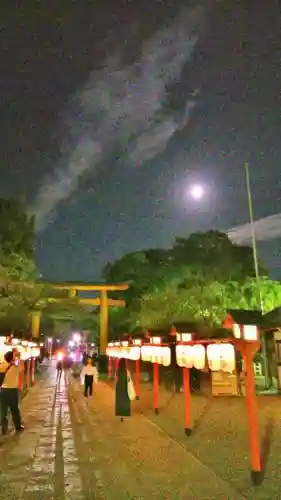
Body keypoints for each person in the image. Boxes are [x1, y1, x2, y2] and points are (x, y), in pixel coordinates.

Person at [0, 351, 24, 435]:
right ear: (12, 358)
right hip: (13, 390)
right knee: (14, 409)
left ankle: (3, 423)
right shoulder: (16, 367)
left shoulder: (2, 366)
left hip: (3, 391)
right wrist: (16, 356)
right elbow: (21, 361)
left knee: (3, 409)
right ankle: (18, 425)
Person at [115, 358, 131, 422]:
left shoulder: (117, 371)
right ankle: (124, 413)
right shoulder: (127, 371)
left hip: (119, 387)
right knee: (125, 400)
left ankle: (120, 413)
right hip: (125, 387)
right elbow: (129, 379)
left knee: (119, 401)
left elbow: (116, 379)